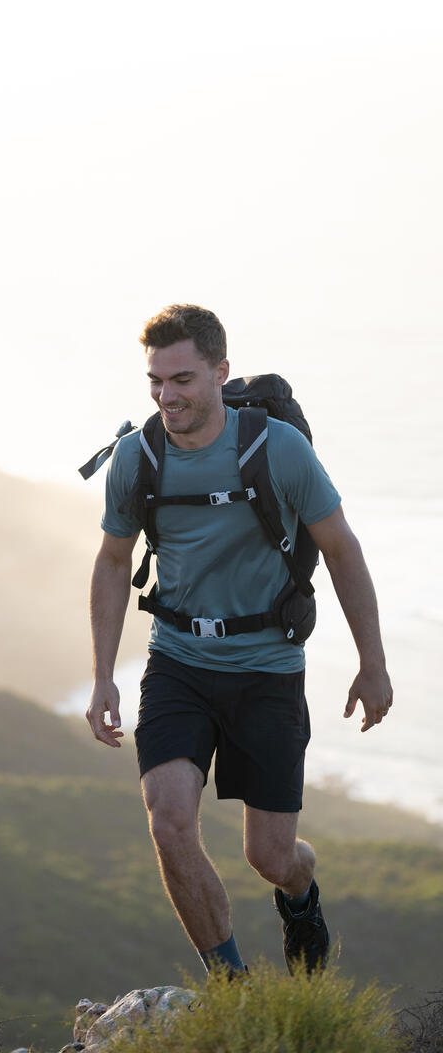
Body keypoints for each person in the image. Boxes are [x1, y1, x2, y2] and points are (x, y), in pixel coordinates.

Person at [85, 303, 393, 977]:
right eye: (156, 383)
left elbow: (341, 550)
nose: (168, 397)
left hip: (267, 668)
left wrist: (372, 663)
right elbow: (112, 562)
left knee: (271, 858)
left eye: (184, 380)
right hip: (178, 663)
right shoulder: (137, 459)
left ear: (221, 372)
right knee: (168, 820)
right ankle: (230, 983)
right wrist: (104, 673)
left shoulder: (277, 450)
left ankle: (301, 897)